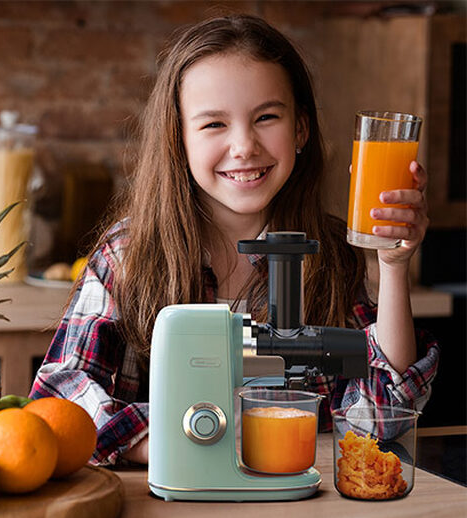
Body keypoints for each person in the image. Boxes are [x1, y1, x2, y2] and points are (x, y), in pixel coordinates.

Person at [29, 15, 439, 466]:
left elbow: (382, 419)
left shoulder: (333, 255)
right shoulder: (128, 254)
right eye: (213, 125)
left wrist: (394, 267)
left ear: (300, 129)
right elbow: (62, 403)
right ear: (178, 140)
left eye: (266, 117)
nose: (243, 145)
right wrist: (206, 438)